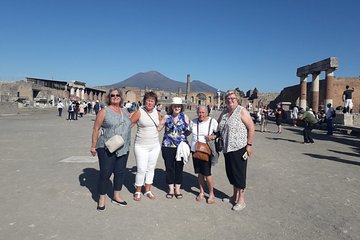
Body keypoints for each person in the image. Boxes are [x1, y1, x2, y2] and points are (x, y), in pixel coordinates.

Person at [90, 89, 132, 211]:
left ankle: (116, 195)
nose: (115, 97)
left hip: (123, 147)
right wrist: (93, 146)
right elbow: (96, 129)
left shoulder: (125, 111)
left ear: (121, 97)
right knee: (105, 172)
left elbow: (128, 124)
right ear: (109, 97)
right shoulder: (104, 111)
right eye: (112, 95)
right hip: (107, 147)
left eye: (117, 95)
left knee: (120, 172)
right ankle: (102, 198)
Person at [217, 90, 255, 211]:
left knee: (239, 173)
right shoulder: (224, 112)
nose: (230, 100)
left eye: (232, 98)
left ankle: (241, 200)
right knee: (231, 173)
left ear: (237, 99)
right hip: (227, 148)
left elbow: (251, 127)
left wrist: (249, 145)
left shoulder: (241, 111)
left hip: (239, 148)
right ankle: (234, 196)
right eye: (228, 98)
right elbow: (218, 127)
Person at [130, 91, 161, 201]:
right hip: (141, 145)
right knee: (142, 169)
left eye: (152, 101)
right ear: (144, 101)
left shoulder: (157, 112)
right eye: (148, 100)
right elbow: (130, 124)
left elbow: (159, 125)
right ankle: (138, 191)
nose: (150, 103)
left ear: (155, 103)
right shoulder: (139, 112)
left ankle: (148, 190)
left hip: (155, 145)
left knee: (150, 168)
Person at [158, 97, 190, 199]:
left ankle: (178, 189)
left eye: (179, 106)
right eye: (175, 106)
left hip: (180, 147)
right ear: (172, 107)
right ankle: (171, 189)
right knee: (169, 167)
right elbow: (158, 128)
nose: (177, 107)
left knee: (179, 168)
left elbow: (188, 131)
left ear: (181, 107)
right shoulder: (166, 117)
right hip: (168, 146)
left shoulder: (185, 117)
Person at [189, 105, 218, 204]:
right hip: (195, 150)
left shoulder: (212, 121)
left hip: (206, 150)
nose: (200, 114)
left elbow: (219, 133)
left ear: (207, 113)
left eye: (203, 112)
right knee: (199, 173)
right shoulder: (193, 121)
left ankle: (211, 193)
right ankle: (201, 192)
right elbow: (188, 131)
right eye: (199, 112)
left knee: (207, 173)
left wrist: (212, 137)